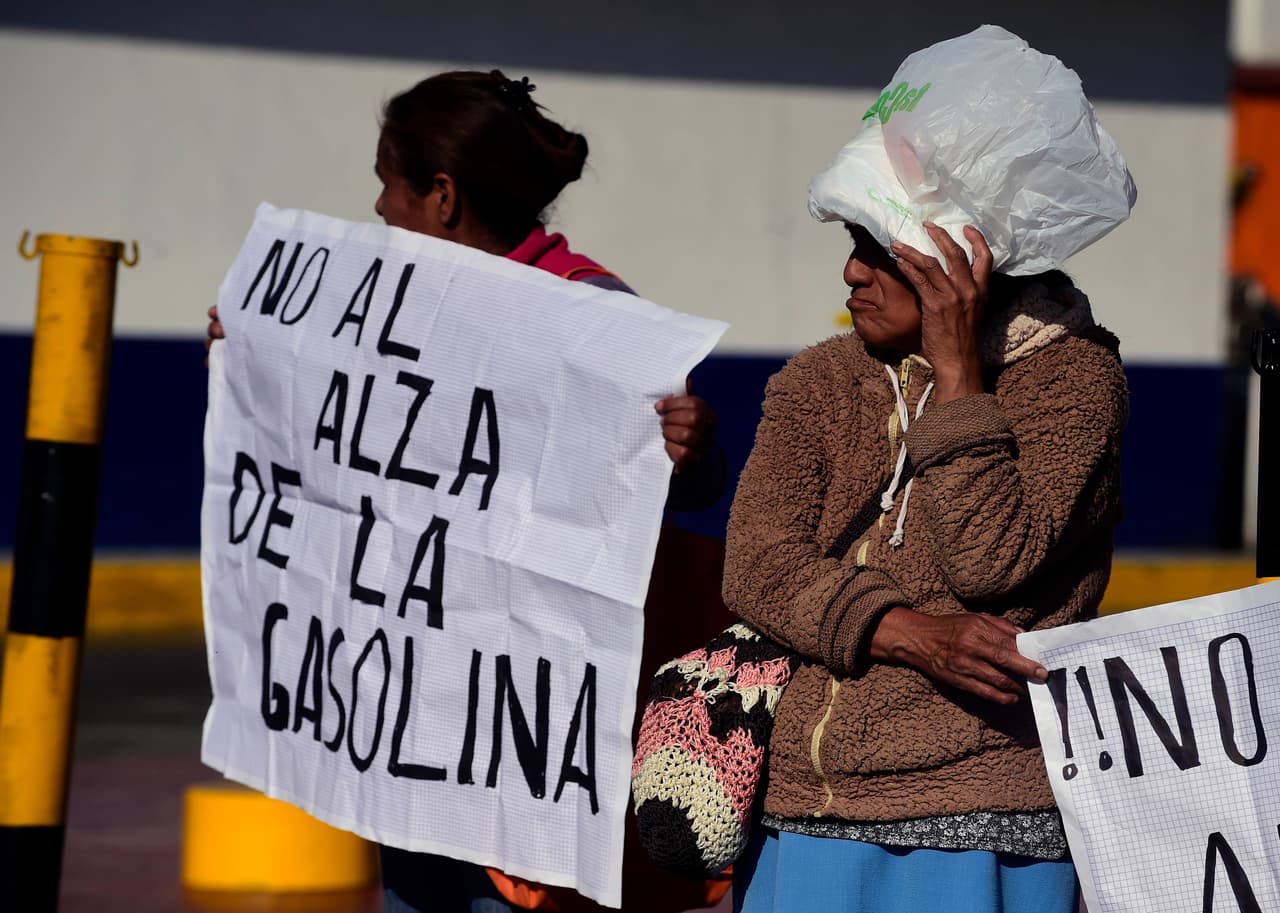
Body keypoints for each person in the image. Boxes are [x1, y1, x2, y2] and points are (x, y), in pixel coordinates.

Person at [206, 69, 728, 913]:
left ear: (441, 195)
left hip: (519, 766)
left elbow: (687, 491)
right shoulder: (385, 316)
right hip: (415, 741)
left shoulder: (588, 315)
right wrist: (259, 368)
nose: (379, 207)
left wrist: (690, 445)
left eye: (389, 183)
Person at [721, 215, 1127, 912]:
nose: (853, 272)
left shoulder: (1075, 379)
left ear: (972, 268)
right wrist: (911, 632)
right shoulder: (819, 379)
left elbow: (991, 559)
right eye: (855, 248)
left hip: (983, 819)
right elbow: (756, 565)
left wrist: (959, 375)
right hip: (801, 813)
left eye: (884, 255)